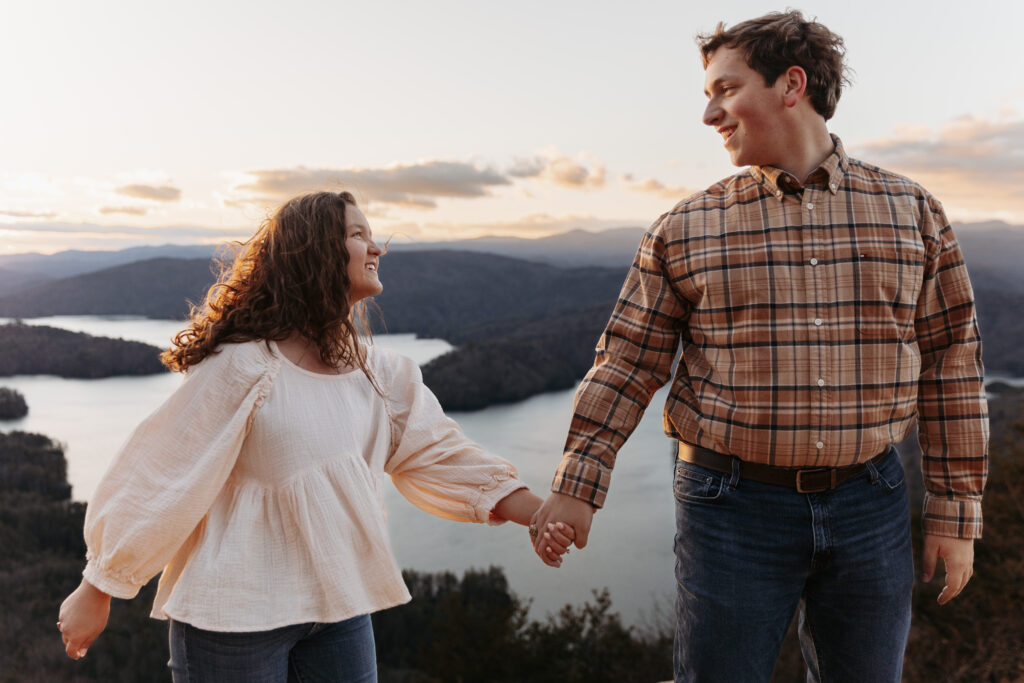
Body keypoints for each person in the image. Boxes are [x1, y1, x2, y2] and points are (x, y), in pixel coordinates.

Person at [530, 10, 988, 682]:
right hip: (732, 509)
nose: (710, 113)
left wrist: (954, 512)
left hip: (873, 502)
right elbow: (628, 359)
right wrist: (579, 482)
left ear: (790, 84)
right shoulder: (684, 227)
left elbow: (953, 364)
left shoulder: (912, 210)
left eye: (724, 89)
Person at [57, 190, 571, 682]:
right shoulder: (246, 367)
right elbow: (163, 468)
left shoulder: (382, 376)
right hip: (234, 616)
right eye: (357, 235)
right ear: (315, 252)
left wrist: (539, 513)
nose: (376, 248)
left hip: (340, 604)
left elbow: (440, 454)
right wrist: (98, 585)